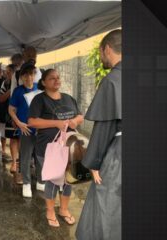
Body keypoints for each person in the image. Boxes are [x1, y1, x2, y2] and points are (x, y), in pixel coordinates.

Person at [76, 29, 122, 240]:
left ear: (107, 49)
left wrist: (94, 162)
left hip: (119, 155)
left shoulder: (113, 80)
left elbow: (105, 126)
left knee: (107, 210)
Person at [28, 68, 84, 227]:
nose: (57, 80)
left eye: (58, 77)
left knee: (68, 178)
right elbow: (32, 121)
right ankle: (50, 211)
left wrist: (75, 121)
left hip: (69, 147)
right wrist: (56, 123)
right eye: (52, 78)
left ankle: (64, 209)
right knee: (53, 180)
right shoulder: (39, 100)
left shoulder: (68, 98)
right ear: (44, 82)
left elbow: (80, 116)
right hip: (48, 148)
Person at [8, 61, 41, 197]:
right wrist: (19, 123)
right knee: (26, 157)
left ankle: (41, 180)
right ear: (21, 77)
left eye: (32, 74)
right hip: (25, 129)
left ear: (35, 75)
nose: (29, 78)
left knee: (40, 156)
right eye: (26, 75)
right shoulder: (18, 91)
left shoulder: (40, 88)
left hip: (39, 129)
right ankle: (26, 183)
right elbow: (11, 110)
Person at [0, 64, 21, 182]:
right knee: (13, 139)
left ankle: (22, 162)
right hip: (10, 114)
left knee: (22, 139)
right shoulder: (5, 83)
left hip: (22, 114)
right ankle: (14, 163)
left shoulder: (21, 81)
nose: (7, 74)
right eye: (6, 72)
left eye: (9, 72)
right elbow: (1, 99)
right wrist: (10, 91)